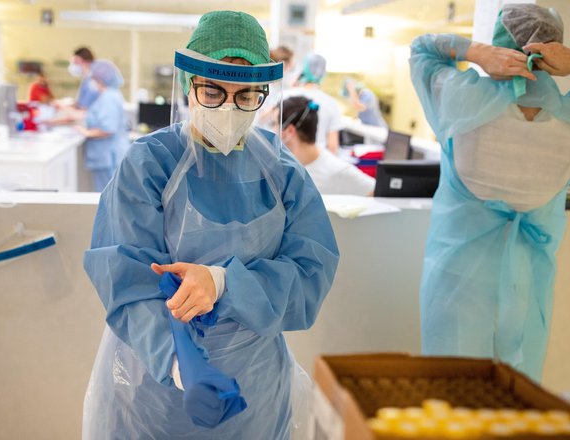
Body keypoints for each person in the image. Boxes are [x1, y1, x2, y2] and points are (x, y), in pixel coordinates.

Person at [82, 10, 339, 439]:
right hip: (155, 389)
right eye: (214, 91)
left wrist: (223, 282)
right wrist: (182, 361)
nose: (228, 108)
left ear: (262, 95)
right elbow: (125, 275)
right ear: (190, 86)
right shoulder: (150, 164)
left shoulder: (282, 172)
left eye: (245, 96)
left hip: (253, 387)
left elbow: (310, 275)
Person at [410, 3, 570, 381]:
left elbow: (422, 49)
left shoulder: (460, 104)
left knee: (453, 405)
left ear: (499, 45)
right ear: (556, 52)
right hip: (527, 292)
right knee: (514, 400)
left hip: (456, 292)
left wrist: (474, 52)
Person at [282, 96, 375, 196]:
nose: (271, 129)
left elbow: (377, 191)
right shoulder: (285, 165)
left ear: (290, 130)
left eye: (274, 123)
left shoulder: (336, 170)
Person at [77, 60, 128, 192]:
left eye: (93, 78)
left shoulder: (109, 97)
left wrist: (85, 132)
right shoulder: (107, 96)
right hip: (107, 156)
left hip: (109, 157)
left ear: (100, 79)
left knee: (108, 198)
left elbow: (108, 129)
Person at [283, 53, 344, 154]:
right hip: (317, 163)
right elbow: (333, 146)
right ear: (323, 73)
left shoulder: (286, 96)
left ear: (303, 70)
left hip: (287, 161)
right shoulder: (331, 103)